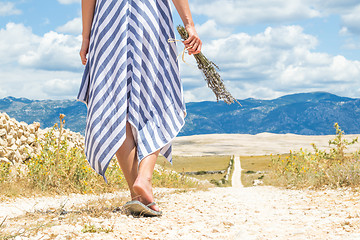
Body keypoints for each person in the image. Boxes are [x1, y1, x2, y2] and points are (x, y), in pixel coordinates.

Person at [77, 0, 201, 215]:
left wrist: (86, 37)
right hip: (150, 18)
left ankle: (138, 196)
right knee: (158, 97)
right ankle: (144, 179)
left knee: (114, 105)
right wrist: (189, 25)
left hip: (108, 23)